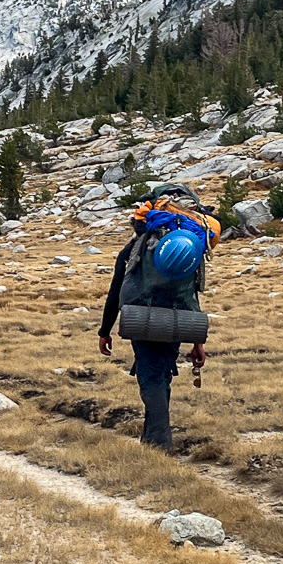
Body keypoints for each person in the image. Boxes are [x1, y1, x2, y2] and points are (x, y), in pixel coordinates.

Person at [97, 186, 212, 452]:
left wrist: (105, 330)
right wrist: (197, 341)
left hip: (141, 317)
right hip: (178, 320)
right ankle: (151, 439)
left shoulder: (135, 249)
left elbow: (117, 290)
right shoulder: (188, 249)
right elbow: (191, 295)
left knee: (151, 377)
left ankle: (161, 443)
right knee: (161, 374)